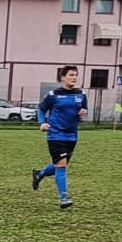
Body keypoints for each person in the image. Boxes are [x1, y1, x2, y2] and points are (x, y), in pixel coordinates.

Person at [32, 65, 86, 209]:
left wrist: (82, 113)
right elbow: (41, 109)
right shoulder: (53, 95)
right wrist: (42, 123)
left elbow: (83, 110)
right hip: (55, 135)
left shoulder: (81, 94)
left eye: (76, 75)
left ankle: (40, 173)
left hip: (72, 135)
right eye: (71, 75)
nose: (74, 77)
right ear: (63, 77)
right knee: (61, 165)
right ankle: (64, 197)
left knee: (59, 164)